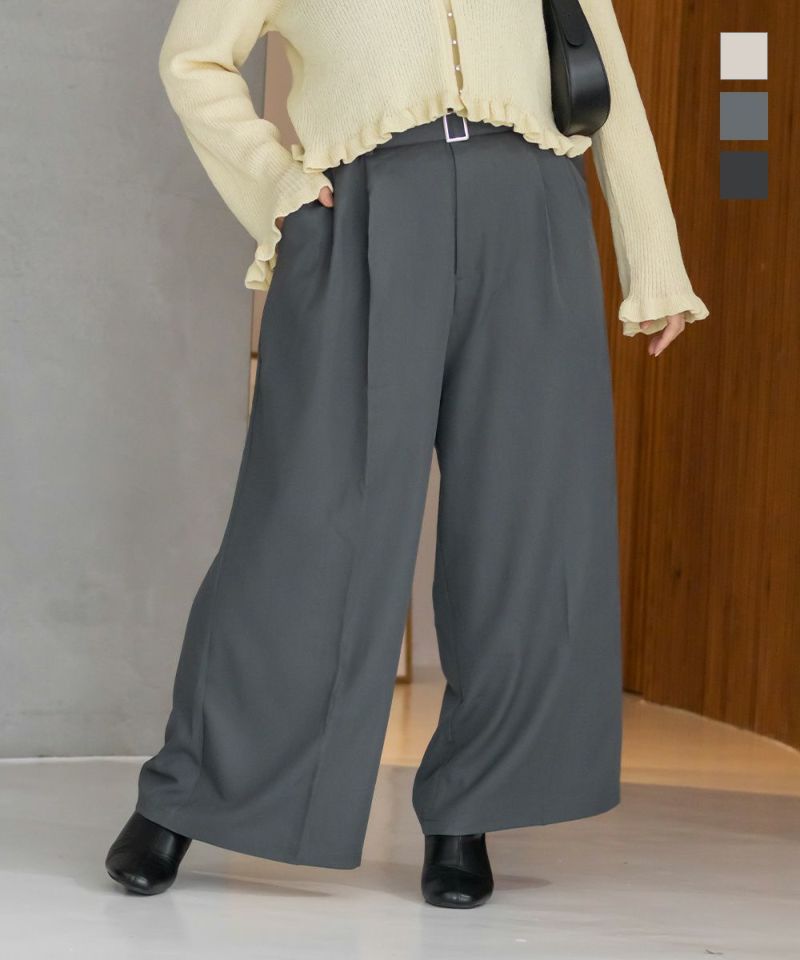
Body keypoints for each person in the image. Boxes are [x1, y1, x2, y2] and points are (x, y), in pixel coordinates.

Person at [105, 0, 708, 909]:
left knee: (526, 522)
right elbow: (192, 60)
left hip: (532, 203)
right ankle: (183, 798)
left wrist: (654, 260)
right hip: (367, 202)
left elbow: (604, 72)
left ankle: (469, 810)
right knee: (308, 524)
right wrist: (277, 185)